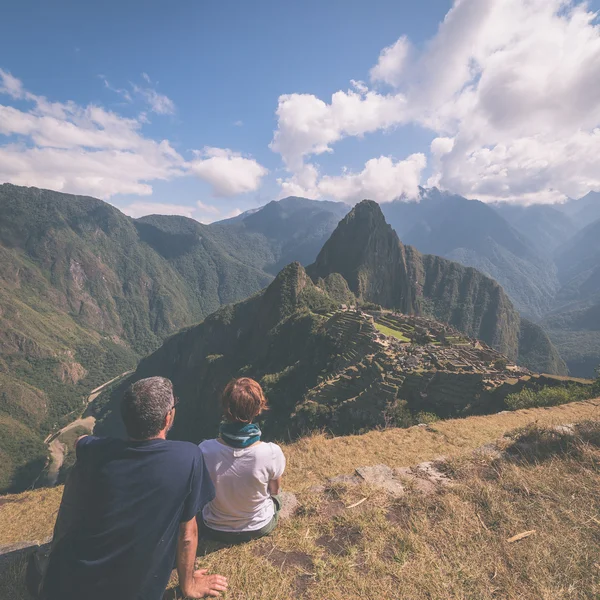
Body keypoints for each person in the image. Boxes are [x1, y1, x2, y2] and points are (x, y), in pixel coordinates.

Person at [40, 376, 228, 600]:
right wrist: (189, 586)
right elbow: (187, 534)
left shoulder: (97, 450)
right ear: (168, 418)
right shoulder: (188, 457)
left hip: (62, 585)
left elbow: (80, 441)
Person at [199, 378, 286, 544]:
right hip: (259, 526)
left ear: (226, 408)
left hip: (215, 528)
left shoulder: (205, 450)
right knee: (278, 498)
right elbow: (274, 490)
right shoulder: (271, 452)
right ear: (258, 408)